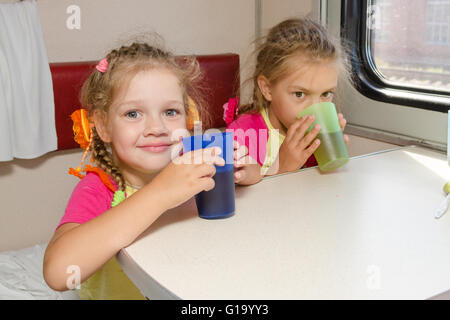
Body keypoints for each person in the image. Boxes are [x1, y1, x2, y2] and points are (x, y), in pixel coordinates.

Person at [43, 42, 250, 299]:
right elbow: (58, 273)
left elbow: (256, 182)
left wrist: (243, 170)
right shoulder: (100, 187)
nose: (157, 127)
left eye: (170, 111)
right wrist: (161, 193)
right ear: (103, 126)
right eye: (133, 114)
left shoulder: (192, 167)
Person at [224, 18, 351, 185]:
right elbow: (240, 200)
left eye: (326, 94)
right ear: (267, 89)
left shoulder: (315, 135)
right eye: (299, 94)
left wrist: (330, 158)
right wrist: (282, 167)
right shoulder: (241, 135)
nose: (315, 107)